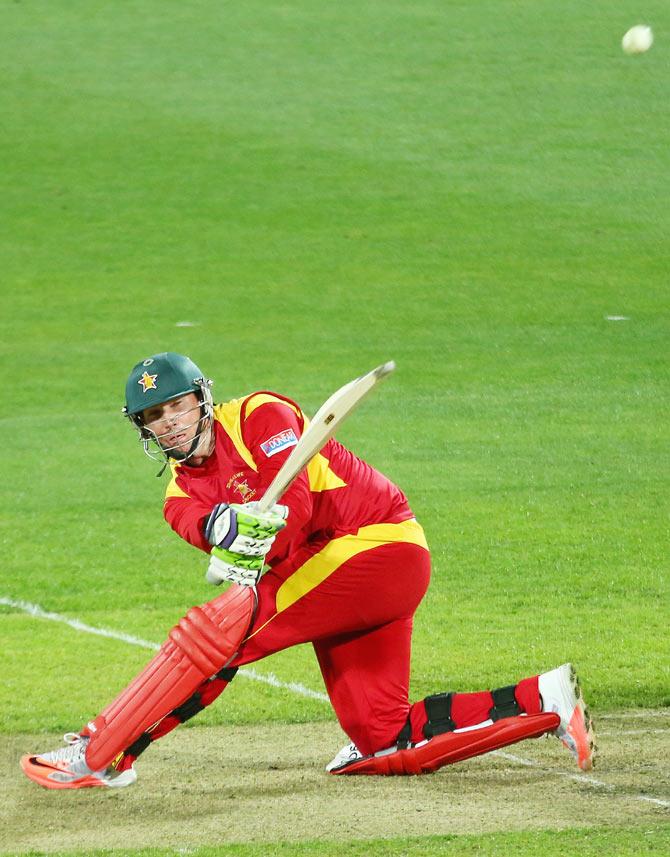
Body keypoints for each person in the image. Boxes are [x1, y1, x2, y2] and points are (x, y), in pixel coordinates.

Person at [21, 352, 595, 789]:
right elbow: (219, 540)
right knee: (380, 739)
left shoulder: (258, 414)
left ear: (201, 397)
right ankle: (546, 700)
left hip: (376, 546)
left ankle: (104, 753)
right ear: (142, 428)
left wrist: (255, 535)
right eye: (153, 415)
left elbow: (291, 506)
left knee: (223, 634)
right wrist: (228, 533)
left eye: (176, 405)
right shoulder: (177, 499)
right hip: (335, 578)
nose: (168, 422)